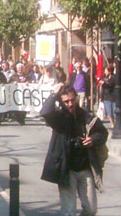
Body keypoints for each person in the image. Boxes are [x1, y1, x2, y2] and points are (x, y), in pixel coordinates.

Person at [41, 85, 108, 216]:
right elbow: (45, 112)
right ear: (61, 102)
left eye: (72, 100)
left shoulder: (87, 116)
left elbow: (103, 133)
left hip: (86, 168)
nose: (70, 104)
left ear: (76, 98)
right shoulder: (58, 118)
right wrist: (54, 94)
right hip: (67, 169)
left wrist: (93, 139)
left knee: (91, 209)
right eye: (66, 101)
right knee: (69, 211)